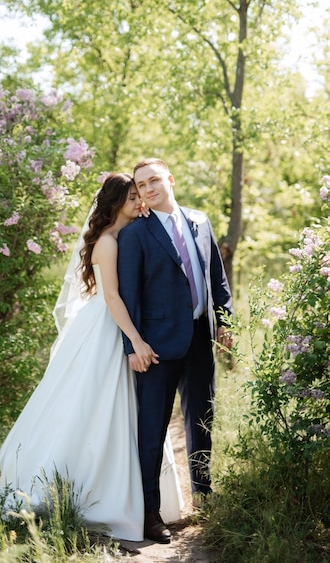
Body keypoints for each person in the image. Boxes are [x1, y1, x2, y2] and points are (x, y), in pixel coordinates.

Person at [0, 172, 183, 542]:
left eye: (138, 195)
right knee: (94, 407)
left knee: (126, 412)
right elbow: (112, 297)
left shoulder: (125, 234)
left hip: (116, 323)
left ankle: (141, 501)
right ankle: (87, 497)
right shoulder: (109, 242)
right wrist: (137, 341)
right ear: (114, 204)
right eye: (131, 197)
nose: (139, 201)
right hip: (108, 329)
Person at [117, 158, 233, 544]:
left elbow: (217, 277)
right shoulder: (135, 234)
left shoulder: (200, 220)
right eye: (140, 184)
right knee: (151, 430)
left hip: (200, 339)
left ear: (170, 179)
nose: (148, 189)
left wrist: (226, 321)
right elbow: (127, 295)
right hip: (155, 347)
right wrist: (132, 346)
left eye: (153, 181)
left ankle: (203, 494)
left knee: (202, 421)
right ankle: (151, 514)